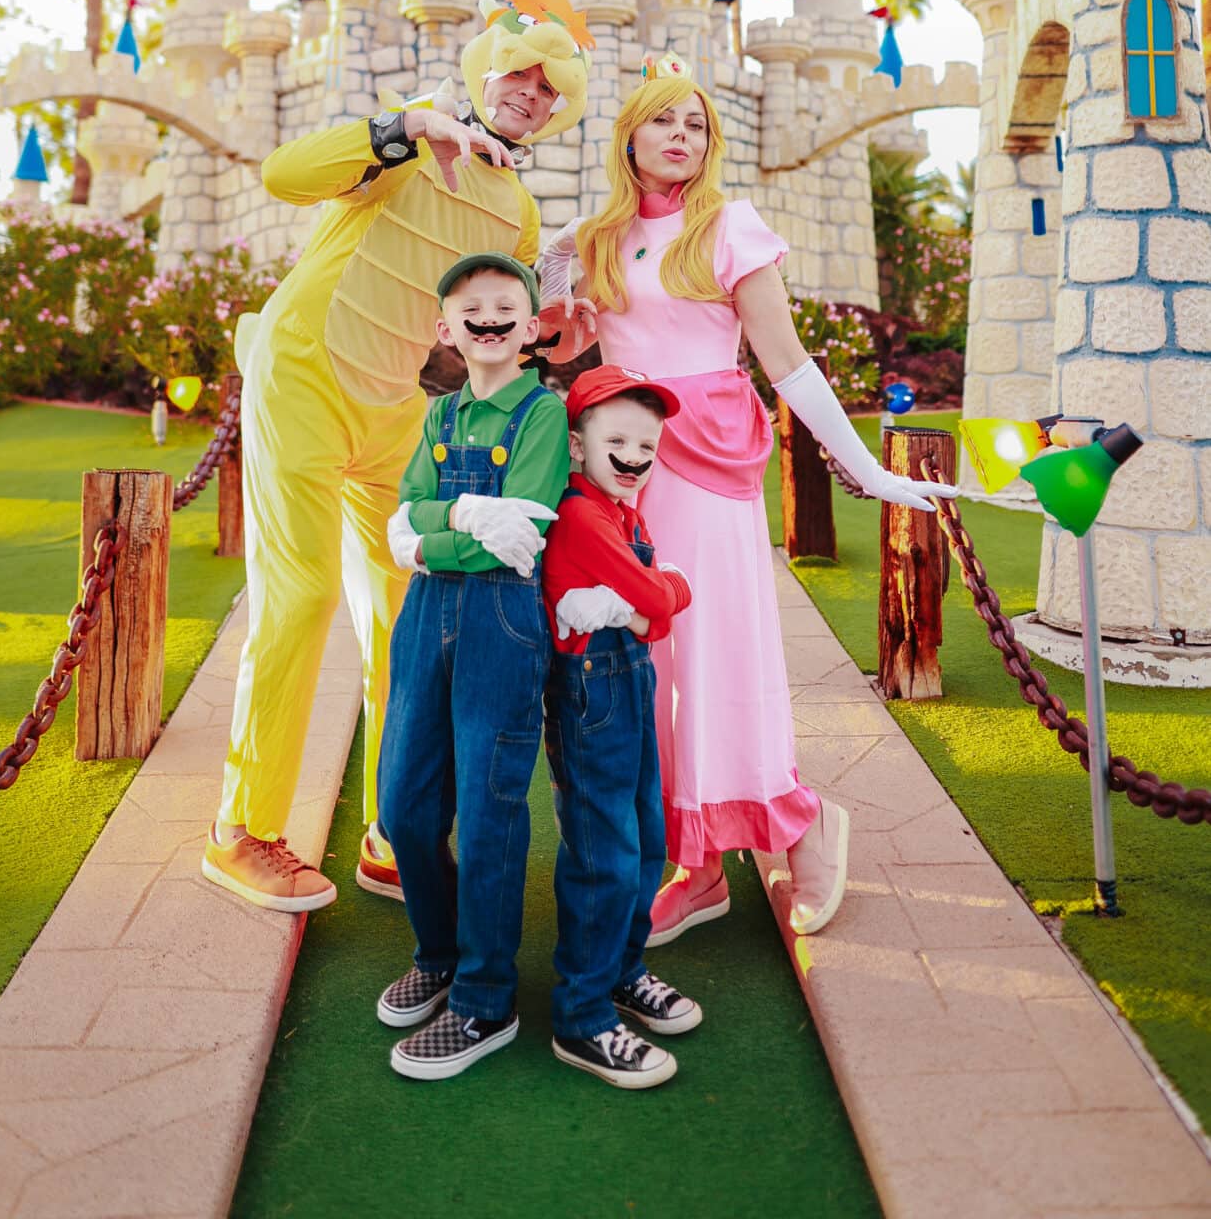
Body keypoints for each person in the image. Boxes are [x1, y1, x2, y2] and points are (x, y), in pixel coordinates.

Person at [539, 59, 955, 946]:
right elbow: (558, 332)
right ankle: (696, 867)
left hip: (708, 463)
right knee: (647, 664)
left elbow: (788, 360)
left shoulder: (729, 226)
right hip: (625, 464)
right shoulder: (597, 237)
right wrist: (549, 294)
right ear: (630, 137)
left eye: (695, 124)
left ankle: (800, 828)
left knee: (714, 656)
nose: (680, 136)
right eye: (664, 122)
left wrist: (865, 472)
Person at [201, 0, 594, 914]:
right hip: (303, 369)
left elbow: (481, 330)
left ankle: (394, 827)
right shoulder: (408, 145)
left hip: (394, 405)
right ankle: (243, 830)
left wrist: (549, 328)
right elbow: (284, 174)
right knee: (300, 596)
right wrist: (401, 130)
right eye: (517, 74)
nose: (528, 93)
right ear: (484, 73)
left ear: (558, 107)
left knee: (405, 615)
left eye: (548, 87)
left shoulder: (519, 214)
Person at [375, 253, 569, 1080]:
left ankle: (485, 1000)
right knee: (404, 804)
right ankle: (440, 950)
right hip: (425, 621)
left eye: (504, 307)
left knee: (490, 814)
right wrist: (457, 513)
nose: (486, 318)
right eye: (469, 308)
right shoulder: (440, 414)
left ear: (530, 328)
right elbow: (404, 507)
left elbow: (523, 527)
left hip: (500, 621)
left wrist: (427, 540)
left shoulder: (542, 415)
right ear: (444, 327)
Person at [542, 364, 701, 1090]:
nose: (636, 456)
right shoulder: (582, 513)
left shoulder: (624, 509)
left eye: (648, 442)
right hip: (591, 688)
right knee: (603, 848)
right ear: (577, 447)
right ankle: (580, 1010)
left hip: (630, 672)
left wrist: (650, 605)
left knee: (646, 837)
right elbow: (657, 591)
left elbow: (659, 601)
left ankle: (621, 969)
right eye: (618, 440)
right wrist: (652, 599)